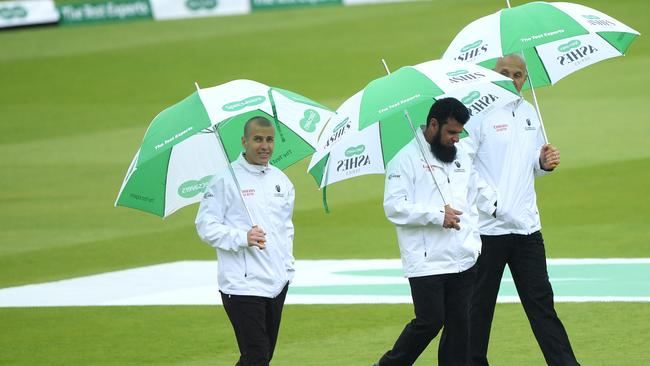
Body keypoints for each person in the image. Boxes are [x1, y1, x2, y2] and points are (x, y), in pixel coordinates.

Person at [467, 54, 580, 366]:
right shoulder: (477, 114)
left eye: (517, 74)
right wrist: (493, 205)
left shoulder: (531, 112)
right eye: (505, 73)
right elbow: (466, 168)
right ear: (493, 74)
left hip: (527, 228)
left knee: (542, 304)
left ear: (525, 79)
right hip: (488, 230)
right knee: (479, 307)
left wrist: (543, 163)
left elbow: (533, 163)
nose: (511, 78)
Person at [374, 98, 489, 366]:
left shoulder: (461, 157)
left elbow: (470, 200)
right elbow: (394, 207)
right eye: (451, 132)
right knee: (430, 321)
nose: (456, 139)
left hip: (463, 258)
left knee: (461, 328)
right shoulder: (404, 159)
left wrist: (474, 243)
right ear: (433, 125)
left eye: (459, 132)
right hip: (426, 262)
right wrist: (437, 215)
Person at [195, 116, 296, 366]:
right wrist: (243, 237)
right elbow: (205, 226)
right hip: (242, 286)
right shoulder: (225, 180)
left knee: (260, 356)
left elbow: (286, 229)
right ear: (244, 141)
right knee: (257, 356)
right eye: (258, 139)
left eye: (270, 139)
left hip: (276, 283)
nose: (265, 146)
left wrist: (287, 269)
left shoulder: (281, 180)